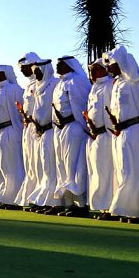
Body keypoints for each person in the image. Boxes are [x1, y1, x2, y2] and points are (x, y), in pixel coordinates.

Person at [106, 45, 139, 221]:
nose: (109, 68)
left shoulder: (138, 81)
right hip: (122, 132)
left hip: (137, 129)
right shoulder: (117, 84)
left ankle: (137, 210)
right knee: (123, 170)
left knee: (137, 171)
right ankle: (124, 208)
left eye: (112, 64)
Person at [51, 55, 91, 215]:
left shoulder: (77, 81)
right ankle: (69, 203)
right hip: (60, 130)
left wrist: (83, 128)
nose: (58, 67)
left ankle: (80, 205)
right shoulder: (59, 84)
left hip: (74, 128)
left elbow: (81, 106)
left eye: (61, 64)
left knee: (75, 166)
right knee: (63, 167)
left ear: (69, 65)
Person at [23, 56, 59, 210]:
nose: (35, 73)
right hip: (37, 132)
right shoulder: (36, 87)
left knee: (52, 167)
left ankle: (54, 201)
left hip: (51, 130)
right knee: (41, 167)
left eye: (37, 70)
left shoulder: (54, 84)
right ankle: (44, 199)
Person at [0, 64, 25, 207]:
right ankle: (4, 196)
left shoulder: (14, 89)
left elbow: (20, 111)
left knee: (12, 165)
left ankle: (14, 198)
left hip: (11, 130)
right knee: (1, 165)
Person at [83, 57, 115, 218]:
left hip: (108, 135)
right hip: (96, 137)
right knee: (99, 172)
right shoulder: (94, 88)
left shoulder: (110, 85)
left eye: (97, 69)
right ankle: (103, 207)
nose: (93, 72)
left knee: (110, 172)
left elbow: (112, 110)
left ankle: (111, 207)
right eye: (92, 70)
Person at [12, 53, 42, 207]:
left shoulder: (43, 83)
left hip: (41, 129)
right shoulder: (28, 86)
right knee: (31, 164)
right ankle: (34, 197)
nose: (22, 71)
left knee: (40, 164)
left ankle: (42, 198)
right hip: (29, 128)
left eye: (24, 67)